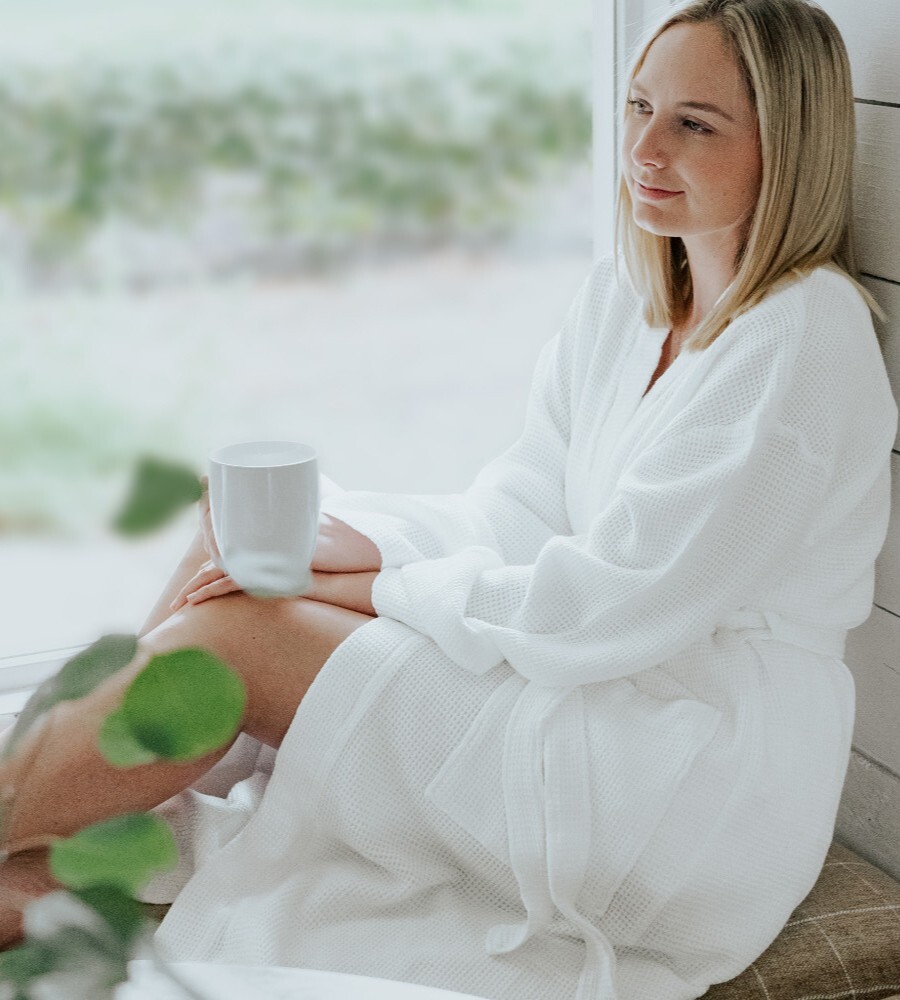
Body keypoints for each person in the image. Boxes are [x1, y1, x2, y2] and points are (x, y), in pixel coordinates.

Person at [0, 0, 896, 997]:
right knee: (239, 540)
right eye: (640, 105)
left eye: (695, 123)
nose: (643, 145)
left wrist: (380, 580)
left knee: (238, 639)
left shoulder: (805, 340)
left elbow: (618, 606)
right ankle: (36, 862)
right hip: (589, 692)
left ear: (790, 144)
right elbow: (519, 507)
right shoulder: (627, 299)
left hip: (687, 785)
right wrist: (352, 542)